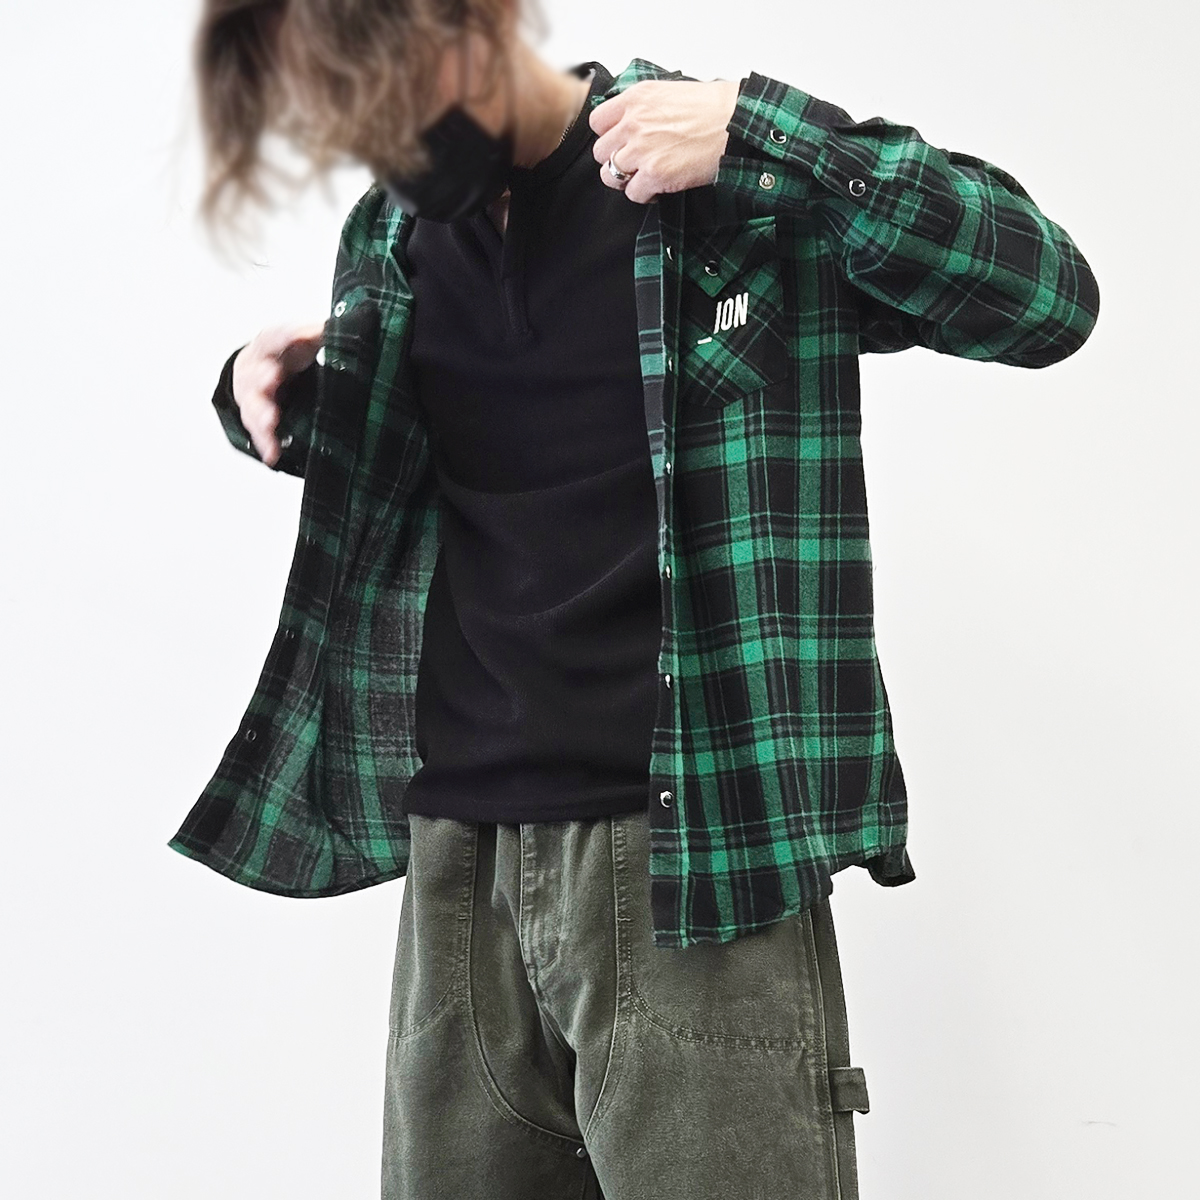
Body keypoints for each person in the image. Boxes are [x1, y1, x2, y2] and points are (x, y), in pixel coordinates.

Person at [172, 1, 1101, 1197]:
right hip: (461, 872)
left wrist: (764, 135)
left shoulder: (712, 174)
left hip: (693, 855)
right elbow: (448, 462)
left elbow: (1047, 298)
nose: (376, 143)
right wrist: (267, 394)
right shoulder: (393, 236)